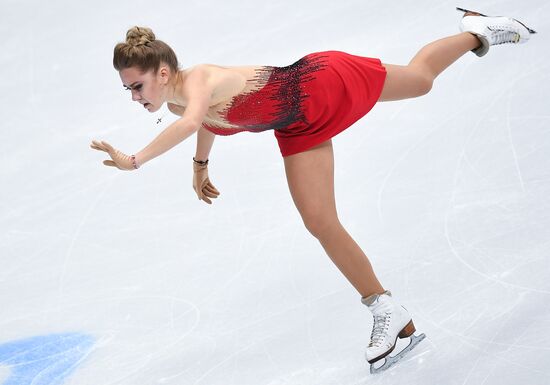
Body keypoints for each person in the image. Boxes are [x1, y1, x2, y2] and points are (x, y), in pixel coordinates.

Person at [90, 8, 535, 371]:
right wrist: (200, 165)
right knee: (320, 221)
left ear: (163, 72)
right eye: (127, 89)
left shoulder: (201, 78)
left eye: (136, 86)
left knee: (419, 81)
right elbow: (200, 122)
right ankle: (385, 309)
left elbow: (193, 120)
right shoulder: (174, 99)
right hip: (296, 125)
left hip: (321, 83)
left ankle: (479, 32)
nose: (133, 97)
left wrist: (135, 160)